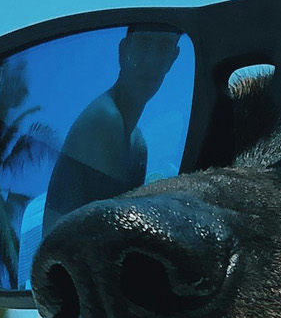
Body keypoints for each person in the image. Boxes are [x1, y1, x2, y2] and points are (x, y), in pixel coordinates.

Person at [42, 29, 182, 235]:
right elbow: (113, 237)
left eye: (163, 47)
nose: (151, 60)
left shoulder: (137, 142)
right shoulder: (105, 120)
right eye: (144, 43)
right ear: (123, 51)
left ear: (172, 59)